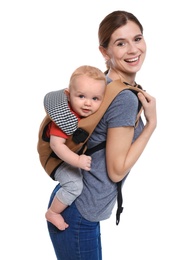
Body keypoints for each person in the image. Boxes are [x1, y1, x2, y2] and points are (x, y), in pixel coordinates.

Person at [46, 10, 157, 260]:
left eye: (137, 39)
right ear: (104, 52)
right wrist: (151, 125)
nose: (132, 50)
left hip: (75, 206)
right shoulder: (124, 99)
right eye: (120, 43)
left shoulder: (104, 84)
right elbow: (116, 170)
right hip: (78, 214)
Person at [45, 65, 106, 230]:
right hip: (57, 160)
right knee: (74, 185)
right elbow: (56, 145)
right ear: (68, 95)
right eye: (81, 96)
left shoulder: (84, 113)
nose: (88, 103)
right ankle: (53, 212)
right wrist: (77, 160)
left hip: (67, 157)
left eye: (95, 99)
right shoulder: (65, 116)